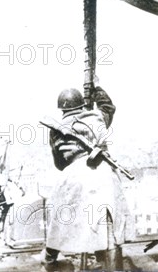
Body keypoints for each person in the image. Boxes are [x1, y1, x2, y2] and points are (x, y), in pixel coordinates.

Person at [41, 84, 128, 271]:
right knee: (109, 229)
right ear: (82, 104)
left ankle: (49, 261)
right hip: (103, 176)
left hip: (73, 177)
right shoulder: (97, 118)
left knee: (61, 220)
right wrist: (95, 89)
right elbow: (108, 107)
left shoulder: (55, 129)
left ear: (62, 109)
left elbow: (59, 164)